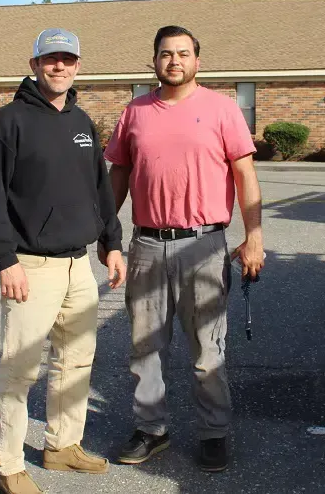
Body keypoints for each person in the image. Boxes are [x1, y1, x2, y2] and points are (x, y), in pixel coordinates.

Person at [102, 24, 265, 473]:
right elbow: (117, 175)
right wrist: (105, 232)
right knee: (145, 347)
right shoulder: (134, 112)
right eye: (165, 54)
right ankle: (150, 429)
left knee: (207, 349)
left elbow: (245, 176)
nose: (174, 61)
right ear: (153, 61)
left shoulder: (222, 109)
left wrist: (254, 236)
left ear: (197, 60)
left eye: (183, 53)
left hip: (205, 245)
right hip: (148, 245)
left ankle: (214, 434)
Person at [0, 27, 127, 494]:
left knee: (76, 360)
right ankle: (7, 464)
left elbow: (98, 191)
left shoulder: (82, 122)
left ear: (78, 65)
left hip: (77, 265)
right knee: (20, 368)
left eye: (67, 59)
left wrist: (112, 242)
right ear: (34, 64)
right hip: (30, 265)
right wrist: (5, 260)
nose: (58, 66)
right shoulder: (9, 121)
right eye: (49, 59)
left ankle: (62, 446)